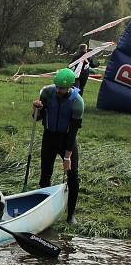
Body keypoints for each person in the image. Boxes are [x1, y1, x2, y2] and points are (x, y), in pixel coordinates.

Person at [32, 68, 83, 224]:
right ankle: (43, 211)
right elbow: (37, 118)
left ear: (69, 87)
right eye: (57, 87)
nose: (59, 90)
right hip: (49, 137)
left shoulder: (77, 102)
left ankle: (71, 214)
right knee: (45, 174)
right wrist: (36, 108)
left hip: (67, 139)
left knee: (73, 175)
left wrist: (67, 157)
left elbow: (73, 130)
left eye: (62, 88)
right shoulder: (47, 93)